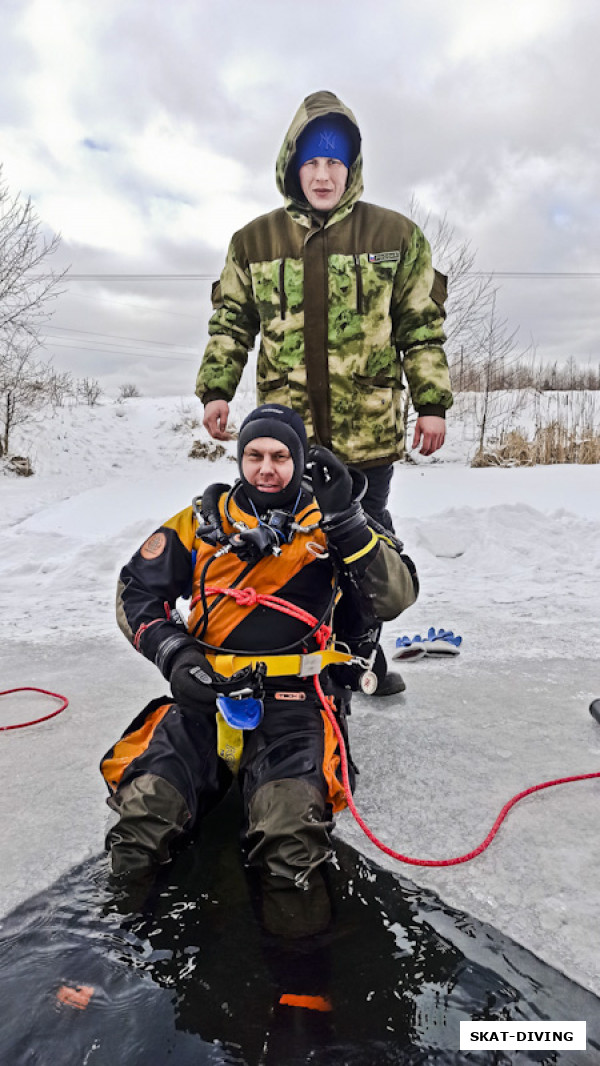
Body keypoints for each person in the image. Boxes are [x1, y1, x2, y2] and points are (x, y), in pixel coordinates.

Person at [102, 403, 419, 936]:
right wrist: (176, 655)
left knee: (289, 841)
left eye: (279, 456)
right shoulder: (203, 521)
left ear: (298, 459)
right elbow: (137, 591)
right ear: (240, 458)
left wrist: (347, 520)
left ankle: (303, 990)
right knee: (142, 819)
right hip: (207, 697)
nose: (265, 468)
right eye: (253, 455)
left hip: (297, 703)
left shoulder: (330, 521)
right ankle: (100, 960)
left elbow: (395, 597)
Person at [195, 89, 452, 693]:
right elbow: (231, 322)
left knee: (365, 544)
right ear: (292, 165)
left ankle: (361, 656)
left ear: (352, 167)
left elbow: (420, 326)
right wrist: (216, 389)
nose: (323, 173)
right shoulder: (253, 242)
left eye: (335, 161)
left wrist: (432, 401)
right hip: (286, 441)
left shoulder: (396, 235)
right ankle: (297, 655)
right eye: (311, 161)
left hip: (369, 432)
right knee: (289, 547)